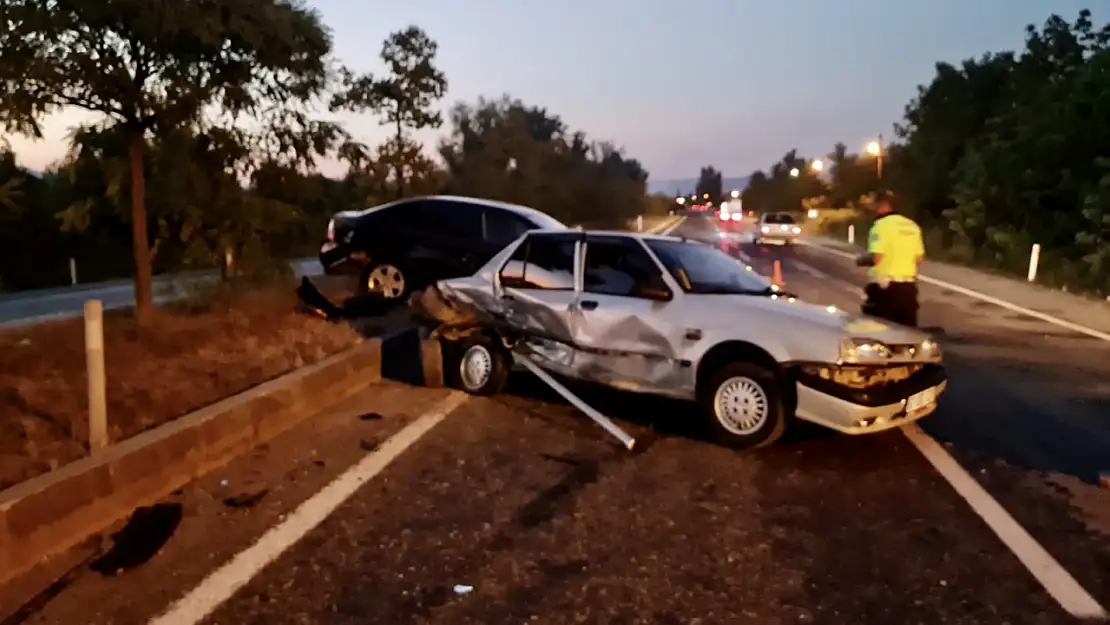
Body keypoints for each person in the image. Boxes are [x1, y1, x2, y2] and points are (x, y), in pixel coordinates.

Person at [855, 190, 924, 327]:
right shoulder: (912, 225)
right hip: (909, 289)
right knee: (907, 334)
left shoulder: (880, 226)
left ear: (882, 205)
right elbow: (919, 259)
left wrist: (860, 260)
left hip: (885, 289)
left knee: (879, 333)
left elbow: (876, 258)